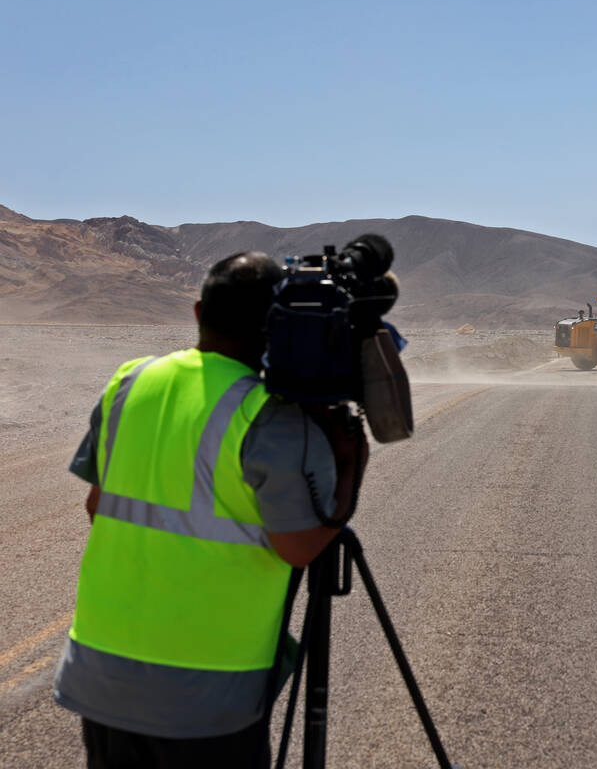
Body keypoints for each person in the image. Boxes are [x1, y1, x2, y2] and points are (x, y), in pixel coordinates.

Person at [54, 252, 369, 768]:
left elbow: (97, 506)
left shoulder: (130, 381)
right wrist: (351, 466)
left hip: (100, 674)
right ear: (281, 330)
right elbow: (298, 549)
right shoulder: (267, 416)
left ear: (199, 313)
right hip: (206, 695)